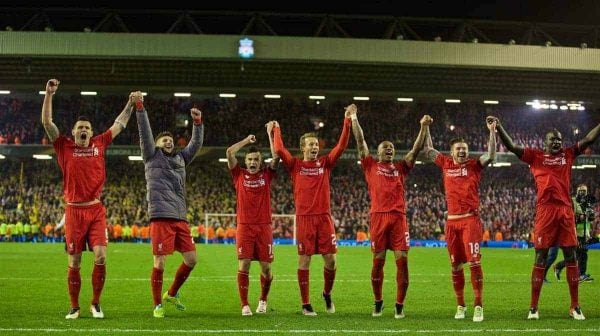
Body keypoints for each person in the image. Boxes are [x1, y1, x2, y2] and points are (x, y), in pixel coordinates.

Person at [41, 79, 135, 319]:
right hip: (73, 211)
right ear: (73, 132)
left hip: (95, 211)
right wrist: (49, 94)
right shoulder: (64, 147)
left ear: (92, 133)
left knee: (101, 255)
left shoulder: (99, 143)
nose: (83, 130)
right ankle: (74, 306)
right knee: (74, 261)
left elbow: (120, 123)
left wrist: (130, 104)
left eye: (87, 128)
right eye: (79, 127)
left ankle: (95, 303)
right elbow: (47, 122)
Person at [490, 115, 600, 320]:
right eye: (553, 139)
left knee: (571, 256)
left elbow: (588, 140)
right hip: (545, 211)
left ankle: (575, 306)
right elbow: (513, 146)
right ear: (545, 142)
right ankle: (533, 307)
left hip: (565, 211)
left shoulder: (568, 154)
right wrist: (499, 126)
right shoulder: (535, 156)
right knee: (540, 257)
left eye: (559, 139)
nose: (557, 142)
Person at [272, 104, 354, 316]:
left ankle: (327, 294)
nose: (314, 147)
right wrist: (277, 129)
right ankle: (306, 303)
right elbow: (280, 149)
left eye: (316, 144)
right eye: (310, 144)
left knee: (331, 260)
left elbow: (341, 146)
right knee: (305, 260)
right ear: (303, 148)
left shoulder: (325, 163)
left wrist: (347, 120)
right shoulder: (295, 165)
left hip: (324, 218)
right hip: (305, 219)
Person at [351, 110, 432, 318]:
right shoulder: (370, 166)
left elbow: (415, 150)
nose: (389, 150)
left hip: (398, 219)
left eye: (392, 148)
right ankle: (378, 302)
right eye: (385, 148)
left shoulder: (400, 168)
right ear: (378, 152)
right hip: (378, 217)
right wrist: (354, 118)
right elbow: (360, 142)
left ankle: (399, 305)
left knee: (402, 261)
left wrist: (423, 126)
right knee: (378, 261)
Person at [135, 95, 204, 318]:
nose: (169, 141)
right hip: (160, 216)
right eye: (164, 139)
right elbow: (145, 133)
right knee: (160, 262)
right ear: (155, 144)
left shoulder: (181, 159)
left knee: (192, 260)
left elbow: (195, 145)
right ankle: (157, 305)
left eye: (171, 139)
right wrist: (140, 108)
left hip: (180, 217)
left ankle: (172, 293)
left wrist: (197, 124)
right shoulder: (151, 156)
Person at [423, 117, 497, 322]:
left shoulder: (475, 165)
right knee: (455, 266)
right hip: (452, 223)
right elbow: (428, 150)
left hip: (470, 221)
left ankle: (479, 306)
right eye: (458, 149)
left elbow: (491, 154)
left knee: (474, 262)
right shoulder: (445, 163)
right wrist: (426, 127)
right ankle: (461, 305)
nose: (462, 151)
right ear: (452, 151)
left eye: (464, 148)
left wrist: (492, 131)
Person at [226, 121, 280, 316]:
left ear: (260, 161)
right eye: (249, 159)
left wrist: (269, 133)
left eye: (256, 159)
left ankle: (263, 300)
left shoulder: (267, 175)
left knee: (266, 269)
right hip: (244, 227)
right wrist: (246, 140)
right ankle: (245, 305)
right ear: (246, 161)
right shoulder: (238, 175)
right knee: (244, 264)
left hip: (264, 227)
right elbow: (229, 153)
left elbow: (276, 157)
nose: (252, 162)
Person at [553, 184, 595, 282]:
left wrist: (591, 216)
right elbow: (569, 217)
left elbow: (590, 219)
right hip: (575, 232)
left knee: (577, 255)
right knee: (582, 254)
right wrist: (580, 218)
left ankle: (559, 266)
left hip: (585, 232)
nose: (582, 193)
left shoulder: (587, 202)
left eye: (584, 191)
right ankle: (581, 275)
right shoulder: (573, 201)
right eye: (580, 191)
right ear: (577, 191)